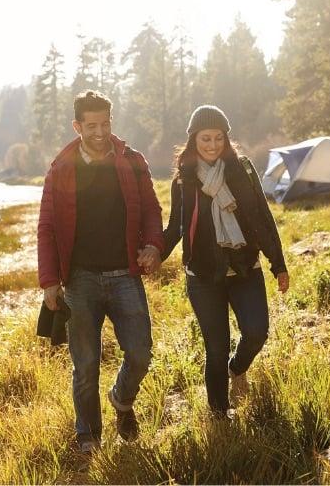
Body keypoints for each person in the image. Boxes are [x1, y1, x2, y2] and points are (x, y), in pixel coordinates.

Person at [37, 90, 163, 453]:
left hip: (125, 274)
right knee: (86, 364)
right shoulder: (61, 168)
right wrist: (48, 281)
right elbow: (46, 226)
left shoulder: (132, 160)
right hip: (80, 280)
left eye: (105, 123)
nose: (100, 131)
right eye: (91, 125)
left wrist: (153, 245)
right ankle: (88, 435)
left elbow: (152, 211)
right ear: (77, 126)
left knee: (140, 353)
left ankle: (122, 401)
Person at [157, 104, 289, 417]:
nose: (213, 145)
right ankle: (219, 415)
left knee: (256, 332)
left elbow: (261, 216)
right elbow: (177, 225)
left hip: (244, 266)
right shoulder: (184, 180)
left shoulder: (241, 169)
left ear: (226, 139)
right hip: (203, 274)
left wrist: (278, 263)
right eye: (206, 139)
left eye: (218, 138)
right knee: (215, 348)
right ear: (194, 140)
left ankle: (237, 368)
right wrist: (154, 255)